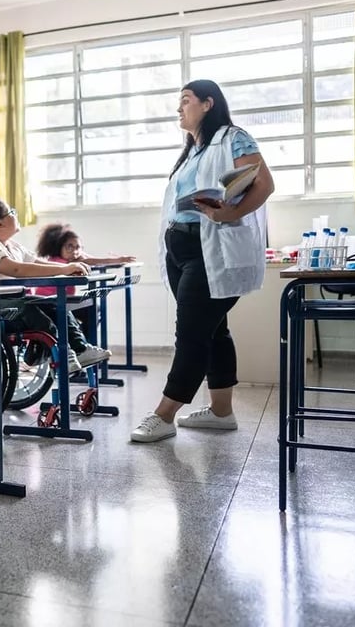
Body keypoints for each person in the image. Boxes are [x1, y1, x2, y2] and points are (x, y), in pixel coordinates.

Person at [129, 79, 274, 444]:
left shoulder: (233, 138)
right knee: (215, 330)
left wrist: (230, 213)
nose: (179, 108)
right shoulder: (193, 151)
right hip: (181, 249)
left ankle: (164, 415)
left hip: (211, 248)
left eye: (186, 100)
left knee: (191, 333)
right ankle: (222, 412)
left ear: (208, 104)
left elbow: (263, 184)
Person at [0, 197, 111, 373]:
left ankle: (81, 349)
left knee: (55, 305)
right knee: (34, 313)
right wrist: (65, 269)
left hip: (9, 301)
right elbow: (17, 269)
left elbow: (37, 262)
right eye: (11, 212)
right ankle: (60, 356)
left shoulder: (11, 246)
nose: (15, 214)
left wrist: (68, 269)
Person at [34, 223, 137, 341]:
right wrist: (117, 260)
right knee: (92, 309)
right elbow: (89, 260)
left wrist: (117, 260)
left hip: (62, 300)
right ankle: (82, 344)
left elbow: (87, 259)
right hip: (48, 303)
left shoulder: (70, 260)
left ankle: (80, 342)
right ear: (58, 247)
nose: (74, 251)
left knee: (92, 308)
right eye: (69, 247)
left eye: (78, 247)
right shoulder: (57, 262)